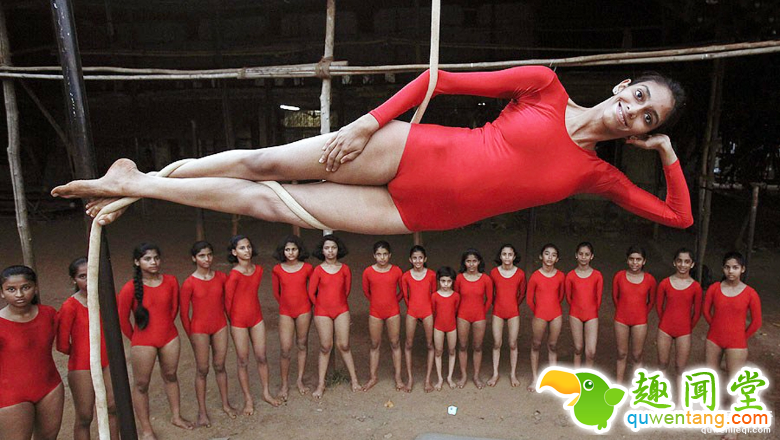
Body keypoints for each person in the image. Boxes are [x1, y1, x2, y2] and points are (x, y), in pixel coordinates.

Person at [54, 67, 692, 236]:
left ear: (643, 129)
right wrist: (366, 124)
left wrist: (665, 154)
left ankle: (135, 183)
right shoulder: (545, 87)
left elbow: (678, 217)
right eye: (639, 96)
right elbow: (439, 80)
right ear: (622, 85)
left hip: (413, 214)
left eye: (649, 118)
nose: (634, 111)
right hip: (407, 150)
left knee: (270, 205)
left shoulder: (599, 176)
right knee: (264, 164)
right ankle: (137, 179)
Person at [117, 243, 193, 439]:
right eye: (147, 259)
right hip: (143, 341)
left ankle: (176, 416)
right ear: (137, 262)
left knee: (171, 375)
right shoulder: (129, 288)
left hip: (169, 337)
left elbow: (173, 309)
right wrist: (136, 338)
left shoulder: (171, 281)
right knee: (142, 384)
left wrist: (164, 328)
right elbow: (122, 319)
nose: (153, 262)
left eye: (156, 258)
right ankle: (146, 429)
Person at [56, 257, 119, 440]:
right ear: (73, 280)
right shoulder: (70, 306)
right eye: (82, 276)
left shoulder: (108, 299)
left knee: (113, 406)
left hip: (108, 361)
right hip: (81, 365)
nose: (88, 279)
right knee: (85, 416)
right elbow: (62, 344)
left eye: (91, 274)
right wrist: (82, 353)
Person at [0, 265, 63, 440]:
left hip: (50, 387)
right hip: (10, 394)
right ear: (2, 293)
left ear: (35, 288)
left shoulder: (49, 314)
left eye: (25, 287)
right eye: (11, 289)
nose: (19, 294)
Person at [180, 241, 237, 426]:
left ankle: (226, 404)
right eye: (202, 256)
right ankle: (202, 412)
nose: (207, 259)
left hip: (220, 325)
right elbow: (183, 314)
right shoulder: (189, 283)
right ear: (194, 258)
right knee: (202, 369)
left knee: (220, 366)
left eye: (209, 254)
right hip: (199, 329)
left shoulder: (221, 277)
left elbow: (229, 300)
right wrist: (191, 336)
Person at [225, 235, 280, 414]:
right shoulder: (234, 275)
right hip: (238, 321)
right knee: (242, 360)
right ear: (234, 252)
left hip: (256, 318)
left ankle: (266, 392)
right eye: (242, 248)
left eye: (248, 247)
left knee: (262, 356)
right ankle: (248, 399)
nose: (247, 250)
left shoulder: (259, 270)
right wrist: (233, 323)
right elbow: (228, 302)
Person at [308, 234, 364, 398]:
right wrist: (321, 306)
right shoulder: (318, 270)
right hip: (322, 312)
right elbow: (311, 292)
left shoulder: (345, 269)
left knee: (344, 345)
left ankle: (354, 380)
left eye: (333, 247)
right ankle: (321, 384)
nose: (330, 251)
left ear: (338, 250)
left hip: (341, 310)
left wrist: (337, 305)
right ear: (322, 251)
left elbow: (346, 291)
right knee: (325, 346)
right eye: (327, 248)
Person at [703, 252, 761, 380]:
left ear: (742, 269)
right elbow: (706, 311)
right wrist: (715, 327)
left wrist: (742, 337)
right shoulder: (714, 288)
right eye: (727, 267)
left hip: (737, 342)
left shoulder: (750, 293)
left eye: (735, 267)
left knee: (734, 382)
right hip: (713, 339)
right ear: (723, 268)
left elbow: (756, 322)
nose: (730, 271)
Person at [271, 235, 314, 400]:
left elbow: (313, 289)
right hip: (286, 312)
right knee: (285, 348)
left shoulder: (307, 268)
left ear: (299, 250)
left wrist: (308, 304)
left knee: (302, 344)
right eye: (287, 249)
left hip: (304, 310)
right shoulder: (277, 269)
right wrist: (285, 304)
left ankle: (299, 380)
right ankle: (284, 384)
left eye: (294, 249)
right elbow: (276, 293)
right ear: (283, 251)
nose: (290, 252)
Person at [362, 241, 405, 391]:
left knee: (395, 343)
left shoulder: (397, 271)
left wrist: (393, 301)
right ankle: (373, 377)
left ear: (390, 255)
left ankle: (398, 377)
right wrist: (376, 302)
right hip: (375, 312)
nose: (382, 257)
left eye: (385, 254)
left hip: (393, 311)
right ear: (374, 255)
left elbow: (402, 291)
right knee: (375, 344)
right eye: (379, 254)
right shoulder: (368, 272)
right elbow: (366, 291)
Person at [655, 248, 702, 380]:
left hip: (684, 331)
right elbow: (659, 307)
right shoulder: (665, 283)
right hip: (665, 329)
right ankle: (660, 391)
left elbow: (697, 313)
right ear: (674, 262)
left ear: (692, 264)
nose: (682, 265)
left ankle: (680, 394)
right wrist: (666, 322)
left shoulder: (696, 287)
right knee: (662, 364)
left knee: (680, 368)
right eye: (679, 261)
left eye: (687, 262)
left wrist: (687, 327)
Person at [612, 245, 656, 383]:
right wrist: (623, 310)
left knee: (637, 355)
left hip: (640, 321)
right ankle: (619, 385)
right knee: (621, 353)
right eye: (631, 259)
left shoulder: (649, 279)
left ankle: (637, 386)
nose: (634, 262)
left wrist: (641, 313)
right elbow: (615, 297)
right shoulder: (619, 276)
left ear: (644, 261)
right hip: (621, 319)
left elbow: (651, 301)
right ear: (627, 260)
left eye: (638, 259)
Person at [526, 243, 565, 392]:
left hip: (556, 314)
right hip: (540, 315)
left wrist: (551, 309)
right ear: (541, 256)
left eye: (553, 255)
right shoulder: (535, 276)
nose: (550, 257)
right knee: (536, 344)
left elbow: (560, 296)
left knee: (553, 345)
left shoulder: (560, 276)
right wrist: (539, 312)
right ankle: (535, 378)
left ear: (557, 259)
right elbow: (529, 299)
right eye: (547, 254)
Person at [454, 248, 494, 389]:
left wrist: (482, 312)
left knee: (477, 346)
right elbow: (456, 297)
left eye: (474, 261)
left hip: (479, 316)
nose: (471, 264)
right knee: (463, 346)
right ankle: (464, 375)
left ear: (479, 262)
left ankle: (476, 376)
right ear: (464, 263)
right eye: (468, 261)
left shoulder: (486, 279)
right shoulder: (459, 278)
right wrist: (458, 312)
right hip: (463, 316)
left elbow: (489, 299)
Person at [487, 244, 526, 387]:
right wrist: (497, 304)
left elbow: (522, 293)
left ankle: (513, 374)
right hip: (498, 311)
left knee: (512, 343)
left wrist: (514, 304)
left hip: (513, 312)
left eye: (510, 254)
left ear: (514, 256)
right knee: (497, 343)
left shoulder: (520, 274)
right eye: (504, 254)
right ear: (500, 256)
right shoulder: (494, 272)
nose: (507, 257)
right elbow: (490, 293)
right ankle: (495, 373)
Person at [400, 245, 437, 393]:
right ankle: (410, 379)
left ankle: (427, 379)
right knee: (408, 344)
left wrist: (429, 312)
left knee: (430, 344)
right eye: (414, 258)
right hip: (412, 312)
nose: (417, 261)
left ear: (425, 259)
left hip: (428, 312)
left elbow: (434, 295)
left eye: (420, 258)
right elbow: (406, 297)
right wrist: (413, 310)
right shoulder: (406, 276)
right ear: (410, 260)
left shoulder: (431, 275)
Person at [565, 242, 603, 368]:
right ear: (576, 255)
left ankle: (587, 376)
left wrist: (591, 311)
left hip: (591, 315)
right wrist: (577, 308)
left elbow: (598, 298)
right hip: (575, 314)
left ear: (592, 256)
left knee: (591, 352)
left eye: (587, 254)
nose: (583, 257)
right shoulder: (570, 276)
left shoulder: (597, 275)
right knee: (578, 348)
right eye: (581, 254)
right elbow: (569, 297)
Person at [431, 266, 460, 391]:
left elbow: (456, 310)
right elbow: (433, 311)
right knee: (438, 351)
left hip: (452, 327)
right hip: (438, 327)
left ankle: (449, 377)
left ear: (452, 281)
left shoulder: (456, 296)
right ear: (439, 281)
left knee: (452, 351)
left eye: (449, 281)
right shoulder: (434, 296)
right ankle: (440, 378)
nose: (446, 284)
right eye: (443, 281)